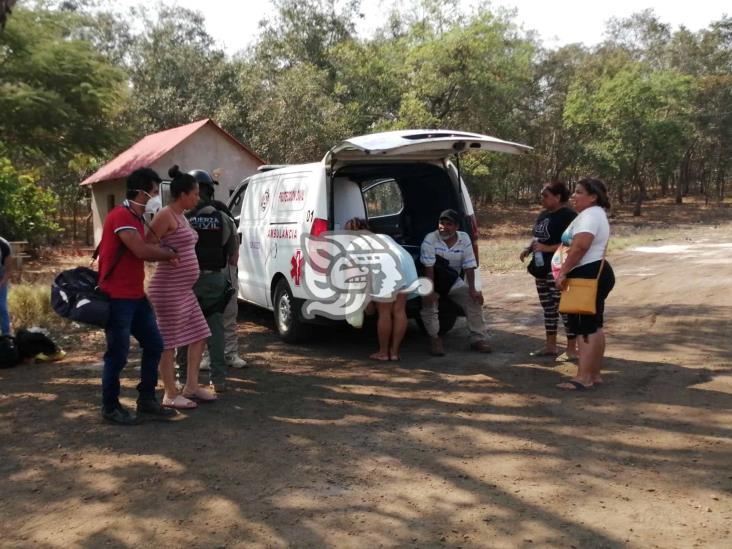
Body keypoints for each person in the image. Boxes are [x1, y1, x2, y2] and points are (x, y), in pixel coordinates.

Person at [97, 168, 179, 425]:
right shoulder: (121, 216)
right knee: (118, 354)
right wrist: (169, 254)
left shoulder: (135, 218)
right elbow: (141, 250)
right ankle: (110, 407)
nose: (157, 197)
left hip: (135, 296)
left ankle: (146, 401)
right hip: (118, 298)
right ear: (142, 192)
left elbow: (145, 249)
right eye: (154, 192)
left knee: (154, 344)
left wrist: (165, 250)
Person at [147, 166, 216, 408]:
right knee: (168, 342)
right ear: (183, 194)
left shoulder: (182, 216)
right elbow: (147, 245)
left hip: (184, 289)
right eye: (195, 193)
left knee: (200, 334)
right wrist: (167, 253)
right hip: (168, 288)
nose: (198, 198)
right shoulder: (165, 214)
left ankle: (192, 386)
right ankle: (169, 393)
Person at [176, 169, 239, 393]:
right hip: (214, 281)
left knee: (184, 330)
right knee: (216, 330)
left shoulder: (182, 219)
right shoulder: (223, 218)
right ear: (210, 191)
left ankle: (182, 377)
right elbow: (233, 256)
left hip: (187, 282)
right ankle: (218, 379)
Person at [552, 178, 615, 391]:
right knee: (594, 325)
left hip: (586, 275)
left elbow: (580, 246)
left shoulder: (589, 215)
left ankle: (583, 377)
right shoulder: (595, 214)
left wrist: (563, 273)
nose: (574, 196)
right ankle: (593, 374)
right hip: (595, 273)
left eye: (579, 192)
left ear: (593, 196)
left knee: (584, 327)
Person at [419, 209, 492, 356]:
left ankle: (478, 338)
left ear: (457, 227)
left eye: (448, 224)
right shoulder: (430, 239)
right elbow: (429, 268)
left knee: (474, 300)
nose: (443, 227)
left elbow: (470, 265)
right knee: (429, 302)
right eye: (441, 223)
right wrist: (430, 291)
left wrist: (473, 289)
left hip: (451, 279)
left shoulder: (464, 238)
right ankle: (435, 338)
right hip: (430, 278)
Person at [344, 217, 418, 361]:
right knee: (399, 310)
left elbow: (354, 277)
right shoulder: (384, 237)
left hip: (385, 264)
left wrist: (364, 302)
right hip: (405, 261)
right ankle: (395, 352)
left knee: (384, 312)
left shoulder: (354, 244)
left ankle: (383, 352)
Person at [520, 181, 578, 359]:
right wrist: (529, 248)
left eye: (545, 195)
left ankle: (571, 349)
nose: (542, 199)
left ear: (558, 197)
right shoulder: (543, 214)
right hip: (540, 268)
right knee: (548, 307)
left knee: (564, 308)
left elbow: (573, 243)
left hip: (558, 268)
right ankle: (550, 346)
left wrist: (547, 249)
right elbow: (538, 237)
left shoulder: (568, 216)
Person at [0, 236, 12, 335]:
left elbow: (8, 270)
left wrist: (1, 283)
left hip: (1, 279)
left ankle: (6, 335)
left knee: (2, 307)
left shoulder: (4, 245)